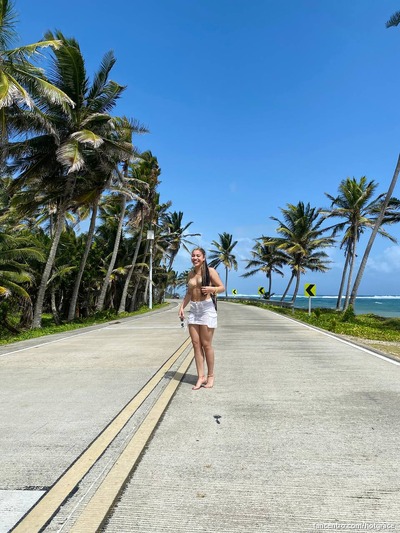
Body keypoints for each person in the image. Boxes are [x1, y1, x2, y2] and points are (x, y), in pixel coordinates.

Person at [178, 248, 224, 390]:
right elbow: (189, 293)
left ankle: (210, 376)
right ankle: (200, 377)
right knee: (196, 344)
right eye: (193, 255)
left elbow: (222, 287)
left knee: (206, 344)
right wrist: (181, 307)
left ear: (203, 257)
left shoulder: (210, 272)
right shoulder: (191, 273)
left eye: (198, 256)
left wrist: (212, 290)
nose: (195, 258)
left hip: (207, 309)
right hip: (194, 309)